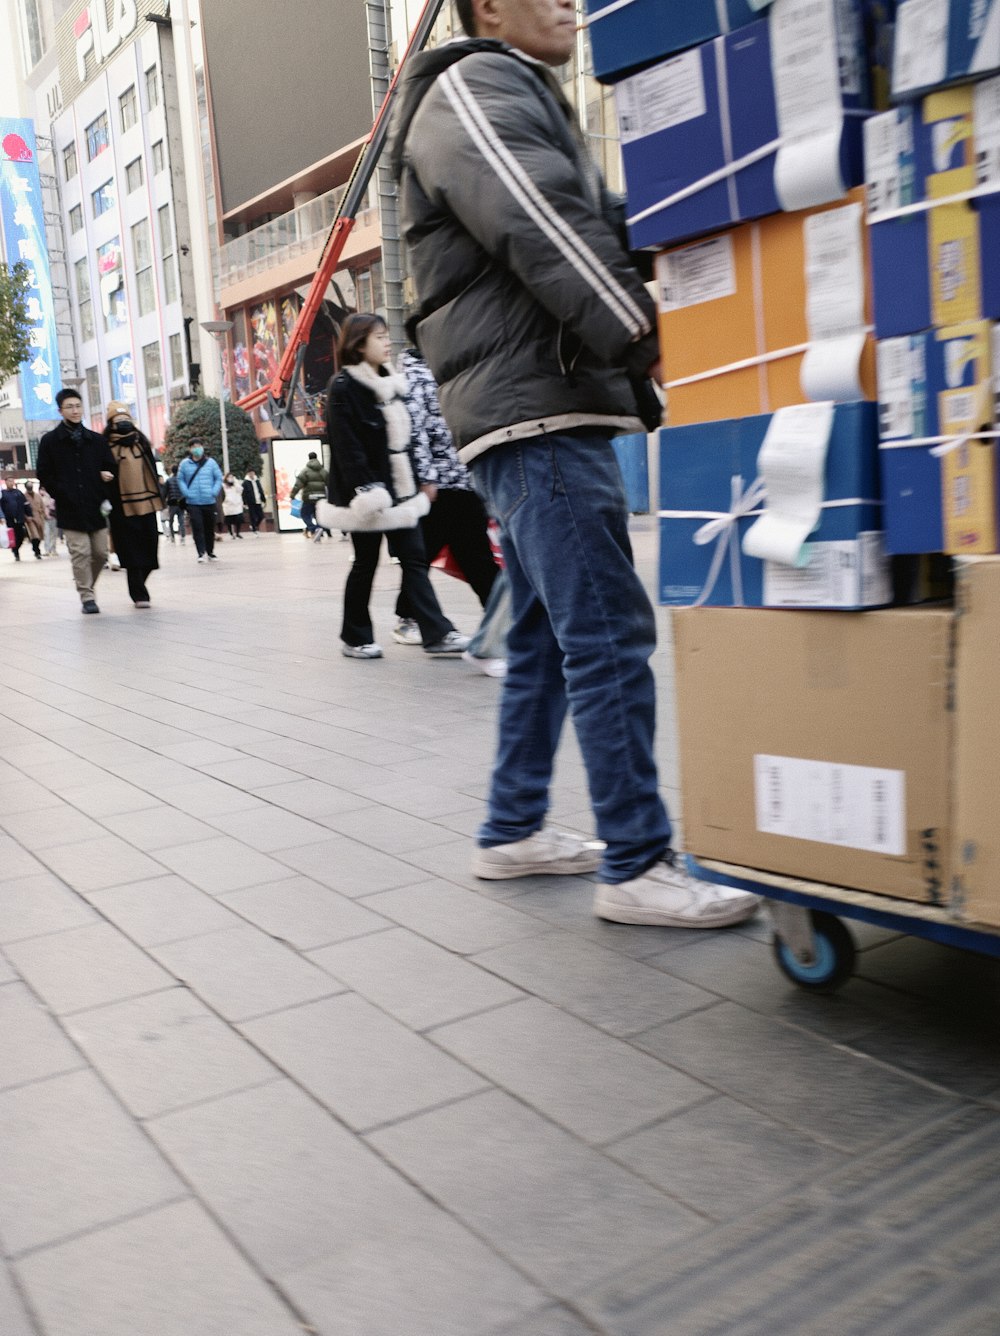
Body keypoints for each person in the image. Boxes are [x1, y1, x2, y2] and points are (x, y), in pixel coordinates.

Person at [387, 0, 759, 929]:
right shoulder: (475, 85)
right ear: (489, 9)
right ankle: (637, 861)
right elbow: (541, 223)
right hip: (535, 414)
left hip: (542, 405)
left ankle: (512, 827)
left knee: (559, 637)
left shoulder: (520, 94)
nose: (568, 3)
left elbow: (592, 216)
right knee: (606, 635)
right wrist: (647, 334)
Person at [323, 312, 470, 660]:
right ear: (358, 344)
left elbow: (407, 439)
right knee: (365, 563)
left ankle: (437, 633)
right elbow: (347, 447)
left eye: (387, 335)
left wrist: (421, 480)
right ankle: (355, 637)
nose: (387, 342)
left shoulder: (393, 383)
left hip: (401, 492)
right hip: (366, 494)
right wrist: (367, 491)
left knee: (415, 559)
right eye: (379, 336)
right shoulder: (344, 386)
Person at [392, 339, 499, 648]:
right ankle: (502, 623)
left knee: (438, 554)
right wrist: (427, 481)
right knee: (465, 556)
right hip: (441, 485)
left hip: (462, 479)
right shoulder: (416, 376)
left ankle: (410, 617)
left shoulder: (448, 370)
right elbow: (417, 431)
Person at [36, 387, 116, 613]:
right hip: (70, 507)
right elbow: (44, 473)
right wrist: (61, 492)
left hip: (96, 505)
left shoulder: (97, 441)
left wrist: (106, 476)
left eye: (78, 406)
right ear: (60, 410)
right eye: (69, 407)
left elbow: (110, 466)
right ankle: (87, 597)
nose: (75, 410)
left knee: (100, 553)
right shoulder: (50, 441)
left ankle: (85, 584)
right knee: (81, 552)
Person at [103, 402, 163, 607]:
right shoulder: (105, 447)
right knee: (130, 551)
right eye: (118, 421)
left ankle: (139, 585)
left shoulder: (142, 442)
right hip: (121, 507)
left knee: (150, 548)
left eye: (126, 420)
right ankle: (139, 594)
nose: (123, 423)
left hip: (147, 503)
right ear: (110, 423)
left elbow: (153, 470)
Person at [177, 440, 223, 563]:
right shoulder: (185, 464)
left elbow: (219, 478)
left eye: (199, 446)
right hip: (193, 502)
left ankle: (210, 552)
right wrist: (186, 493)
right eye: (194, 446)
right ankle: (200, 553)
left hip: (209, 501)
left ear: (202, 447)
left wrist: (214, 491)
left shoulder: (211, 463)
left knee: (209, 528)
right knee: (197, 527)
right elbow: (180, 479)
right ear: (190, 449)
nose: (197, 449)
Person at [290, 451, 328, 542]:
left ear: (309, 458)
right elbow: (330, 482)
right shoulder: (323, 471)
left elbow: (298, 485)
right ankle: (319, 528)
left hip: (309, 497)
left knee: (305, 514)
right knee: (318, 515)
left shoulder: (305, 471)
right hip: (321, 497)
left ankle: (313, 528)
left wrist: (292, 495)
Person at [0, 482, 28, 562]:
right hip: (9, 519)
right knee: (13, 536)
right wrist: (2, 517)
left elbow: (25, 503)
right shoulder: (3, 493)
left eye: (12, 481)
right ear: (6, 482)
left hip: (19, 518)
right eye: (9, 481)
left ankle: (15, 548)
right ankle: (15, 551)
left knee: (21, 535)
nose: (11, 483)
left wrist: (28, 514)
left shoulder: (18, 492)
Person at [164, 465, 186, 544]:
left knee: (171, 521)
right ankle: (182, 537)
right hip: (181, 503)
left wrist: (165, 502)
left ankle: (172, 537)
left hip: (172, 503)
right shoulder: (181, 480)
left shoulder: (168, 481)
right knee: (181, 521)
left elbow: (165, 493)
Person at [22, 483, 44, 559]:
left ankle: (36, 547)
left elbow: (42, 505)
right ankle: (36, 551)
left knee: (40, 536)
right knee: (35, 535)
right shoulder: (23, 496)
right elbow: (22, 508)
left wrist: (43, 514)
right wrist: (26, 517)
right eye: (28, 486)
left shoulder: (37, 495)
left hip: (39, 517)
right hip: (30, 519)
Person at [221, 472, 245, 538]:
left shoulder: (235, 485)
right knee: (229, 520)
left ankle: (237, 532)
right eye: (229, 477)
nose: (230, 479)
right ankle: (231, 533)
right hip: (228, 505)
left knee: (239, 519)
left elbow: (240, 490)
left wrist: (235, 482)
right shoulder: (223, 485)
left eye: (232, 477)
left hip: (237, 504)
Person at [37, 485, 58, 556]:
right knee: (47, 534)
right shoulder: (39, 497)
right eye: (41, 489)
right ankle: (47, 550)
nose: (42, 491)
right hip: (44, 518)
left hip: (53, 517)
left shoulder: (52, 496)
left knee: (54, 534)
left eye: (43, 489)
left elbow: (54, 505)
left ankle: (53, 549)